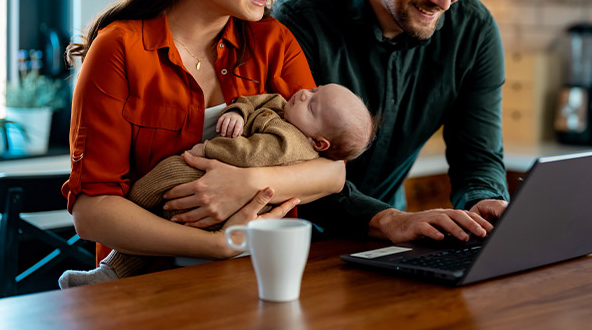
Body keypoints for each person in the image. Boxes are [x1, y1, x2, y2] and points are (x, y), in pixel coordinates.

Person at [62, 0, 346, 273]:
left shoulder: (273, 42)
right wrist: (217, 245)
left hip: (262, 272)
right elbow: (92, 212)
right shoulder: (119, 49)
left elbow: (331, 170)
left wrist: (245, 184)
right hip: (148, 287)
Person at [273, 0, 510, 244]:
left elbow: (478, 155)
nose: (445, 2)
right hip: (295, 243)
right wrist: (384, 219)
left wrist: (484, 201)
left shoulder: (473, 30)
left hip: (393, 238)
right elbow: (282, 162)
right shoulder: (298, 21)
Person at [60, 84, 376, 287]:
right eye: (315, 89)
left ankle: (130, 215)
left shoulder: (291, 144)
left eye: (313, 107)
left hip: (222, 197)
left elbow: (249, 155)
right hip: (213, 200)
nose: (304, 94)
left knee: (165, 180)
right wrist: (238, 113)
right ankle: (110, 271)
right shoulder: (284, 107)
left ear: (318, 143)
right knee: (157, 222)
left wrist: (208, 149)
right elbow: (252, 101)